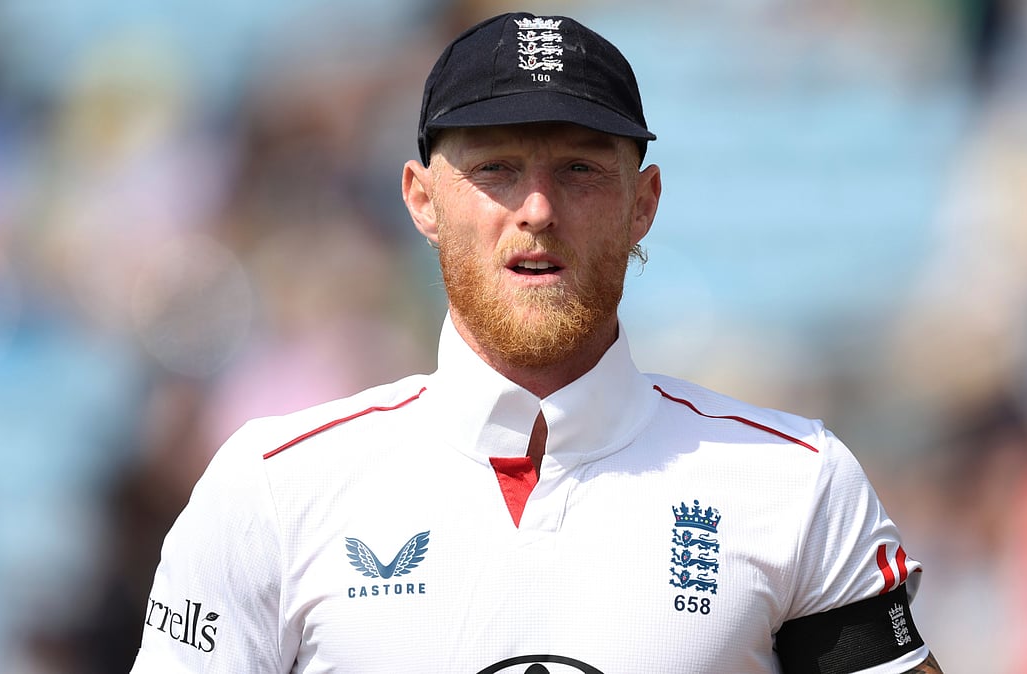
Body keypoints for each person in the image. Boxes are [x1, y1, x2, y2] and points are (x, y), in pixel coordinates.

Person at [130, 11, 942, 673]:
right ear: (421, 199)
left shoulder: (796, 485)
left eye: (581, 170)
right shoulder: (272, 490)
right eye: (497, 169)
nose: (539, 209)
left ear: (644, 203)